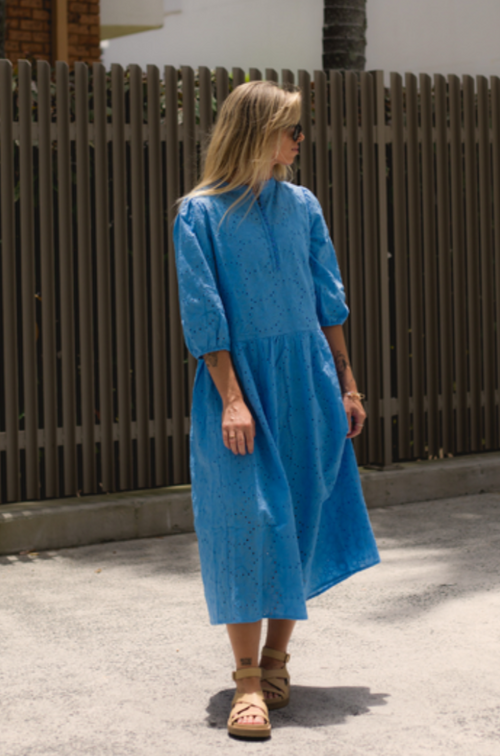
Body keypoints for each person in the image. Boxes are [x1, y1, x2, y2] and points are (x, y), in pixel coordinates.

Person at [173, 80, 380, 740]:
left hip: (307, 379)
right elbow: (204, 314)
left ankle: (276, 661)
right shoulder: (198, 215)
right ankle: (245, 682)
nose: (299, 139)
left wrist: (348, 386)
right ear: (257, 132)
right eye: (290, 128)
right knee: (248, 523)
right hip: (240, 385)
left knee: (300, 515)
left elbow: (328, 299)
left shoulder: (303, 205)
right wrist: (232, 399)